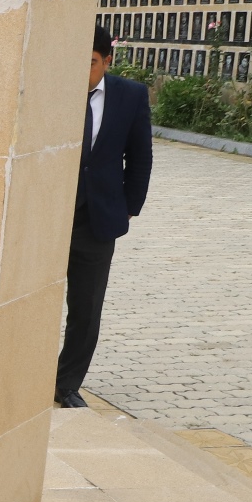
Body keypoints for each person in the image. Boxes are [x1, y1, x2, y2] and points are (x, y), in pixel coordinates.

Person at [57, 27, 153, 408]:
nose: (83, 70)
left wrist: (129, 205)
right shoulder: (54, 91)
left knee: (86, 309)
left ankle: (65, 384)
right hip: (49, 217)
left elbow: (140, 156)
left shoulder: (130, 96)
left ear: (107, 61)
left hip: (96, 222)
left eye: (92, 62)